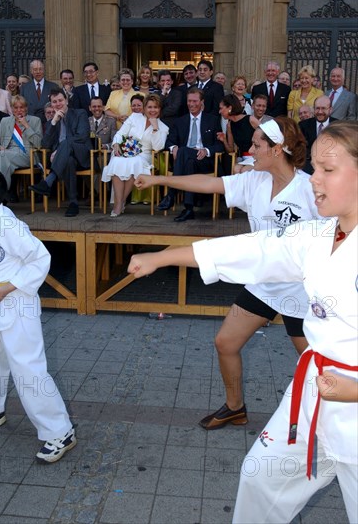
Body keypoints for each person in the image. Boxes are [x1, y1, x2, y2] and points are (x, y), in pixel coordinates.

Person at [128, 121, 358, 524]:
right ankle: (235, 406)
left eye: (328, 170)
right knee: (258, 477)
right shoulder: (316, 234)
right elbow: (252, 248)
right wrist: (164, 255)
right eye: (316, 168)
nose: (316, 180)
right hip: (310, 389)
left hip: (341, 377)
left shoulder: (307, 199)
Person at [135, 117, 321, 427]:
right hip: (264, 283)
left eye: (257, 145)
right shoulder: (254, 181)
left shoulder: (309, 189)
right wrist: (160, 180)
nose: (250, 150)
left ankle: (330, 422)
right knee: (226, 343)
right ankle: (235, 406)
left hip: (301, 292)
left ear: (277, 150)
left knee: (316, 364)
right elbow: (208, 183)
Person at [0, 171, 77, 463]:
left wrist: (7, 288)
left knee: (28, 368)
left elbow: (41, 258)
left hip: (17, 302)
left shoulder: (6, 223)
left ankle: (59, 431)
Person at [157, 87, 224, 222]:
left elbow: (220, 145)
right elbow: (169, 141)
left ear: (202, 102)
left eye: (195, 101)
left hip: (204, 161)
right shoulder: (180, 121)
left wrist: (206, 151)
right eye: (189, 101)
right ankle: (188, 209)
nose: (191, 104)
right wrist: (173, 148)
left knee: (183, 152)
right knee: (188, 160)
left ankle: (171, 194)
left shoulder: (212, 120)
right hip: (186, 162)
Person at [102, 94, 168, 217]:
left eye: (155, 107)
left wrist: (155, 129)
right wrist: (116, 143)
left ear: (159, 109)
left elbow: (158, 147)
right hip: (127, 151)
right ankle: (119, 203)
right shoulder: (134, 117)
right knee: (116, 161)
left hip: (145, 155)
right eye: (149, 107)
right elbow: (121, 133)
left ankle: (120, 202)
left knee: (134, 164)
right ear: (144, 108)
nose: (152, 110)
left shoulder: (163, 127)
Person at [29, 88, 91, 217]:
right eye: (54, 102)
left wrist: (59, 150)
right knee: (68, 161)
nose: (58, 104)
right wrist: (53, 122)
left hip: (81, 156)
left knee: (66, 144)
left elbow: (82, 136)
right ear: (51, 104)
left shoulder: (80, 113)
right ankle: (73, 203)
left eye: (60, 100)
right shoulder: (53, 120)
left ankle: (48, 181)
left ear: (66, 101)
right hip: (65, 160)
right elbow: (44, 144)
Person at [0, 95, 42, 191]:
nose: (19, 110)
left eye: (21, 107)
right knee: (3, 158)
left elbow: (38, 144)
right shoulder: (5, 121)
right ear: (12, 109)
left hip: (28, 155)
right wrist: (0, 147)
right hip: (7, 154)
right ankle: (3, 193)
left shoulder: (35, 120)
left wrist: (27, 126)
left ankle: (2, 192)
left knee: (1, 156)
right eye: (16, 107)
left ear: (26, 108)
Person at [299, 95, 336, 174]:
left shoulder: (338, 126)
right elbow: (301, 149)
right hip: (308, 168)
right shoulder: (303, 125)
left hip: (331, 167)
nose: (320, 112)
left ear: (330, 109)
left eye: (323, 108)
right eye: (317, 108)